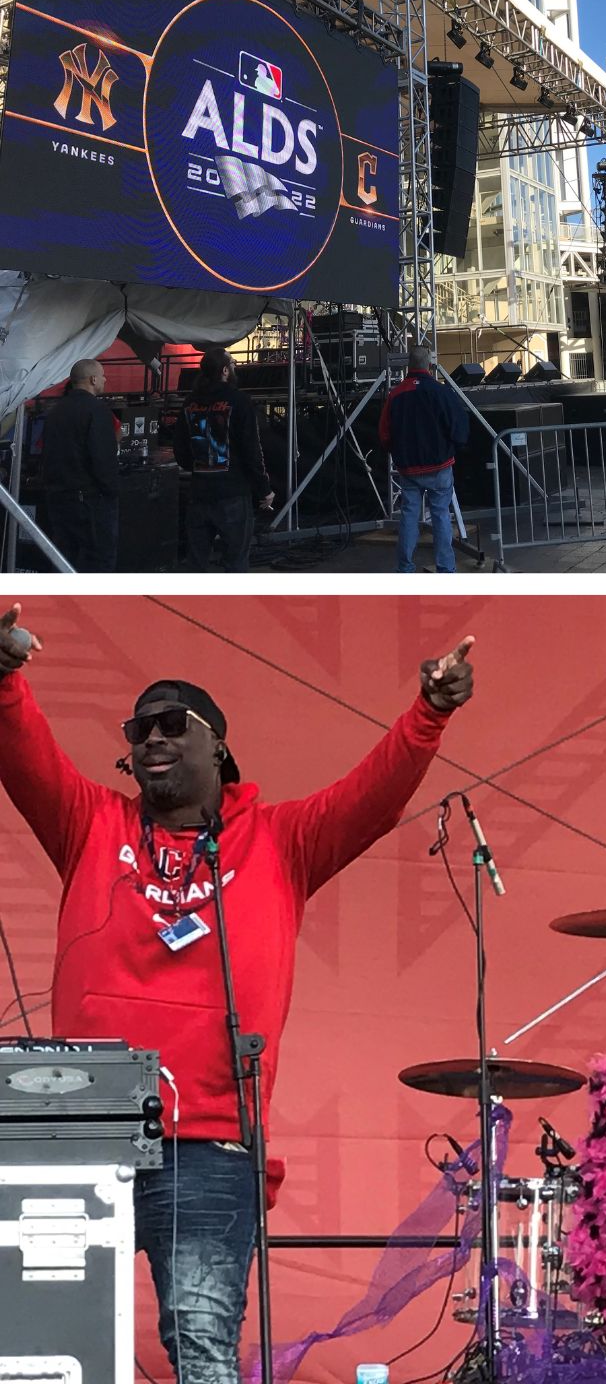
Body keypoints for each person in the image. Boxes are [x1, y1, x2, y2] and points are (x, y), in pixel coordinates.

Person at [0, 605, 474, 1384]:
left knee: (201, 1342)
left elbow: (371, 797)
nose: (150, 736)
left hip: (208, 1145)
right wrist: (4, 677)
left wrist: (430, 713)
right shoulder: (89, 824)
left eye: (170, 722)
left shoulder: (281, 842)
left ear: (217, 745)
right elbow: (25, 756)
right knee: (53, 1349)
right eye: (137, 729)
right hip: (79, 1135)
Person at [173, 351, 272, 572]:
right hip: (232, 492)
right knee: (235, 560)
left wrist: (198, 467)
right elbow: (251, 450)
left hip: (199, 490)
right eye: (233, 364)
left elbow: (180, 448)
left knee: (196, 561)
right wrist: (264, 488)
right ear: (225, 370)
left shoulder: (189, 402)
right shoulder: (239, 400)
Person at [379, 347, 469, 574]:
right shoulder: (441, 392)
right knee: (440, 515)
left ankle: (405, 568)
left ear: (409, 365)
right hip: (439, 465)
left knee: (409, 515)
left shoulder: (396, 395)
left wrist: (397, 453)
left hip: (408, 466)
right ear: (429, 365)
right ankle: (445, 569)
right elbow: (459, 427)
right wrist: (453, 448)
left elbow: (384, 433)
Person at [38, 357, 120, 570]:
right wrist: (112, 491)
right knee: (97, 562)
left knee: (64, 562)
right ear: (93, 379)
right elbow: (103, 458)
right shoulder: (97, 410)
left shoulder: (55, 411)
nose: (104, 379)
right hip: (90, 501)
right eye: (102, 376)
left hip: (58, 499)